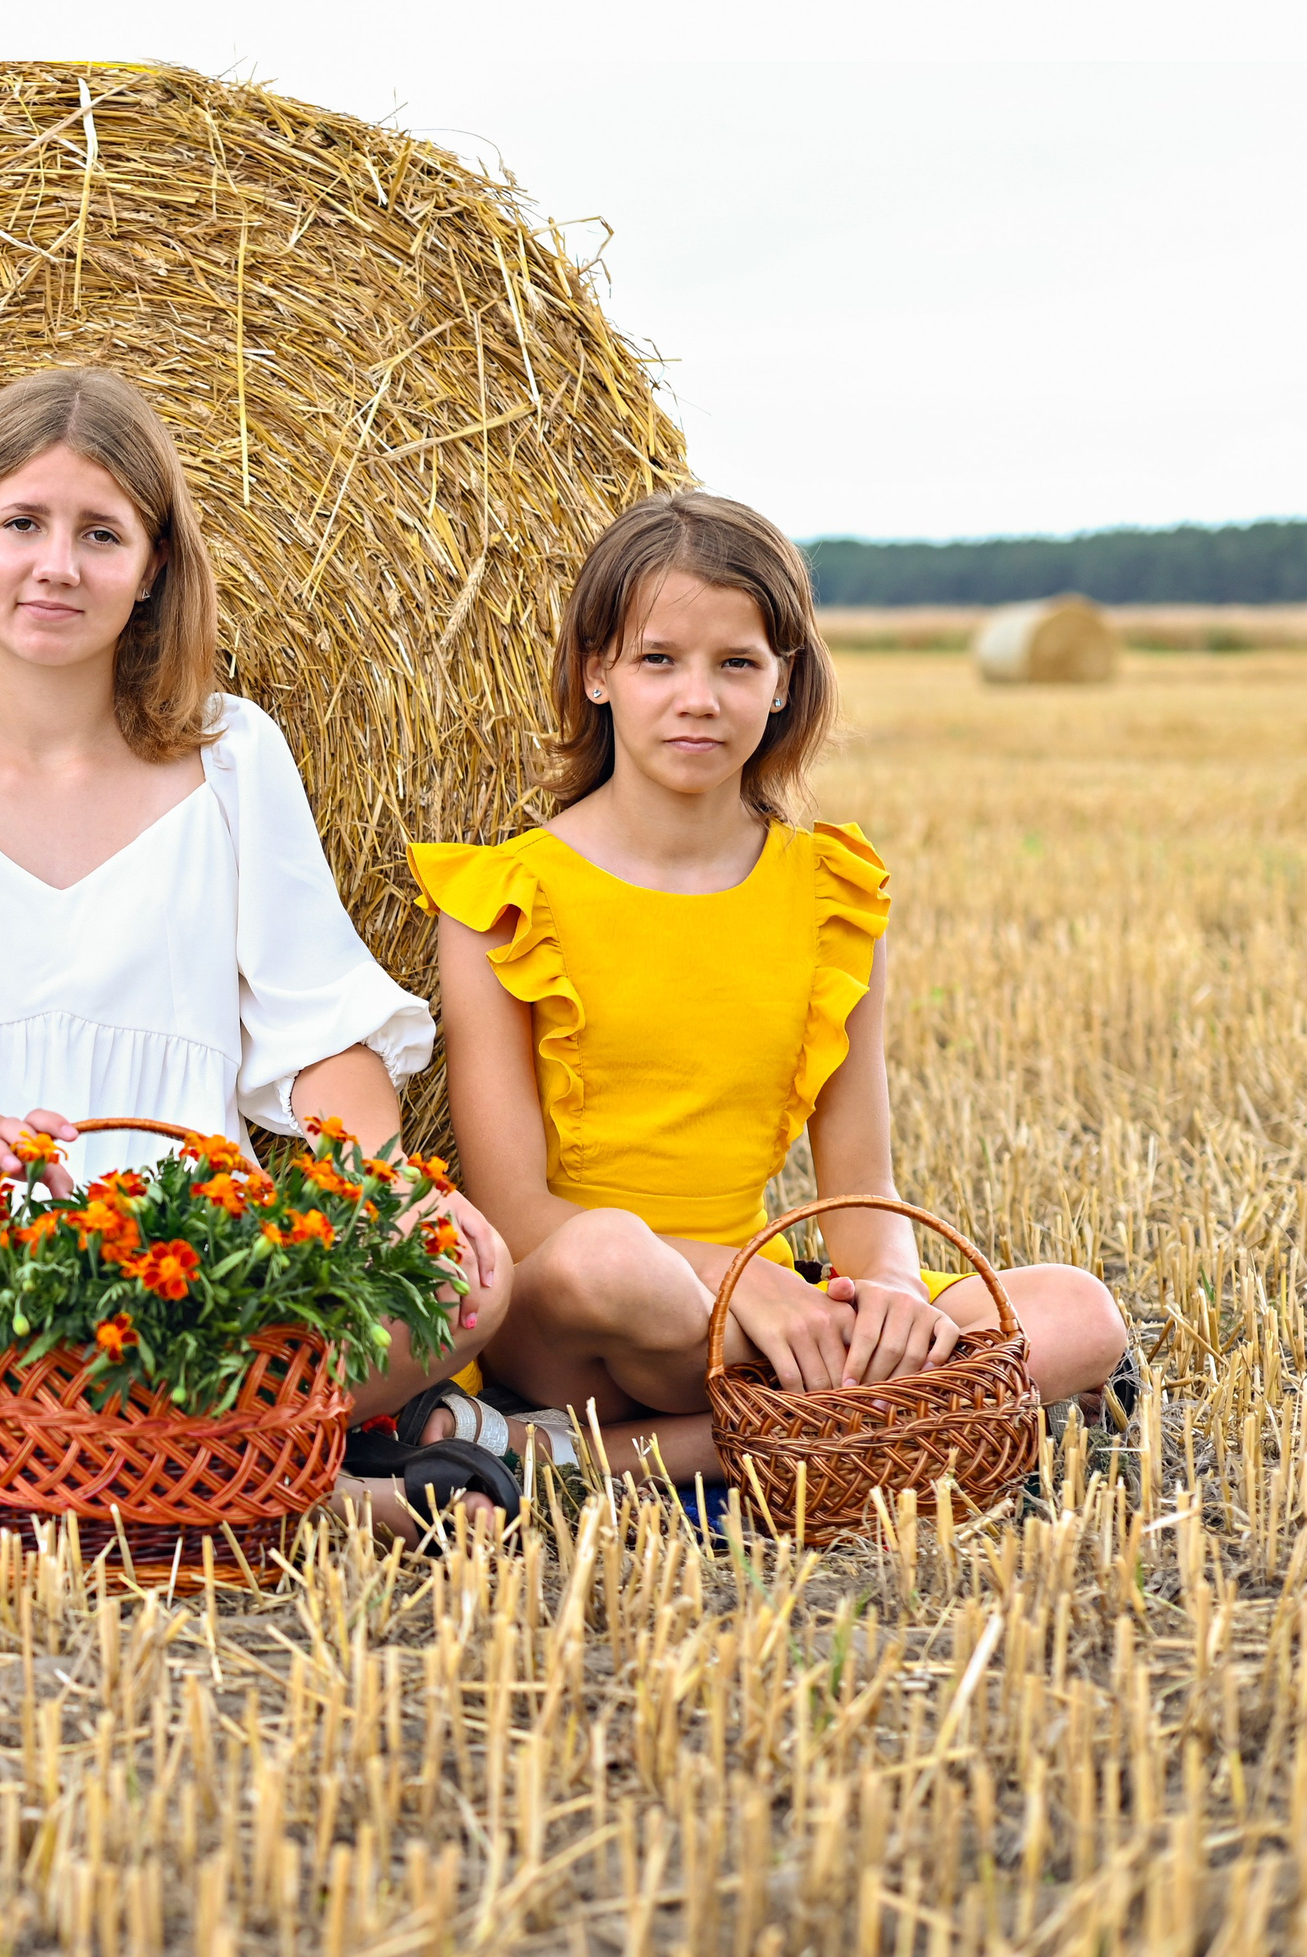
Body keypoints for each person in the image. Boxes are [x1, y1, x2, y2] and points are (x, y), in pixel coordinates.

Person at [0, 364, 516, 1538]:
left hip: (194, 1254)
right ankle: (264, 1485)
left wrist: (389, 1186)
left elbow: (319, 1027)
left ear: (153, 566)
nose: (55, 565)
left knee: (464, 1283)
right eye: (21, 523)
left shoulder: (231, 758)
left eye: (99, 533)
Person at [413, 490, 1129, 1489]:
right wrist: (744, 1287)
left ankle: (566, 1457)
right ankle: (901, 1416)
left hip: (767, 1313)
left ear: (784, 682)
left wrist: (879, 1291)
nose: (696, 698)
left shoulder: (830, 892)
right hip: (587, 1318)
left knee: (1079, 1316)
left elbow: (856, 1182)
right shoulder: (503, 897)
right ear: (596, 674)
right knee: (606, 1257)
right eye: (657, 659)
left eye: (736, 663)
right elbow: (519, 1215)